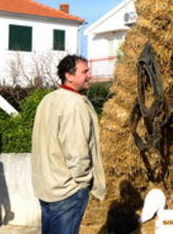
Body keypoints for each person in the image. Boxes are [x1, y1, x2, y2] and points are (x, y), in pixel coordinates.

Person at [31, 55, 106, 234]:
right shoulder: (74, 103)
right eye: (84, 72)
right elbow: (76, 151)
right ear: (69, 76)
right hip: (67, 191)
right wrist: (84, 181)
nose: (89, 75)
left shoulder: (48, 99)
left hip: (46, 187)